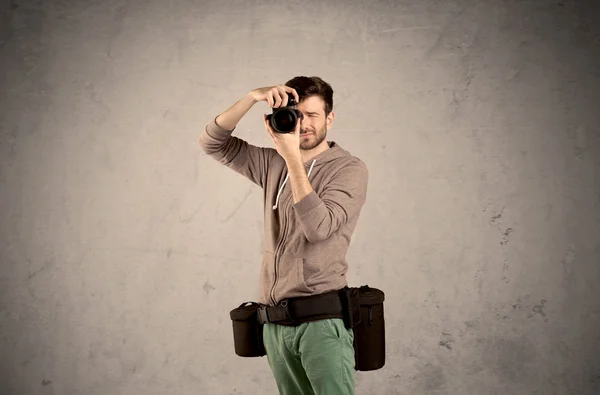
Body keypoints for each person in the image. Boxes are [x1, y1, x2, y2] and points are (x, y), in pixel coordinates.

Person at [198, 76, 369, 395]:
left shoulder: (348, 169)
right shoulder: (270, 163)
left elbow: (319, 228)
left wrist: (291, 157)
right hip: (274, 324)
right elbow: (212, 142)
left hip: (322, 321)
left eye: (312, 114)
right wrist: (251, 97)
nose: (302, 124)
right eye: (296, 114)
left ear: (330, 119)